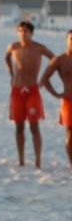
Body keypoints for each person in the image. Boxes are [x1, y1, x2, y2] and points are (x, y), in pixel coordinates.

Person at [4, 20, 54, 168]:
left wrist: (44, 77)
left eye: (26, 31)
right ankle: (21, 159)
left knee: (34, 126)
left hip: (32, 89)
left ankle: (37, 160)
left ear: (31, 33)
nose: (23, 34)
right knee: (19, 126)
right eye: (20, 31)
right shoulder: (13, 47)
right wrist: (11, 74)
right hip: (17, 89)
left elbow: (54, 60)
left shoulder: (38, 48)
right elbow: (6, 57)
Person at [40, 30, 72, 173]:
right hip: (69, 99)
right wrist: (56, 94)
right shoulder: (59, 60)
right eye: (71, 39)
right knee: (70, 133)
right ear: (66, 40)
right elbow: (44, 78)